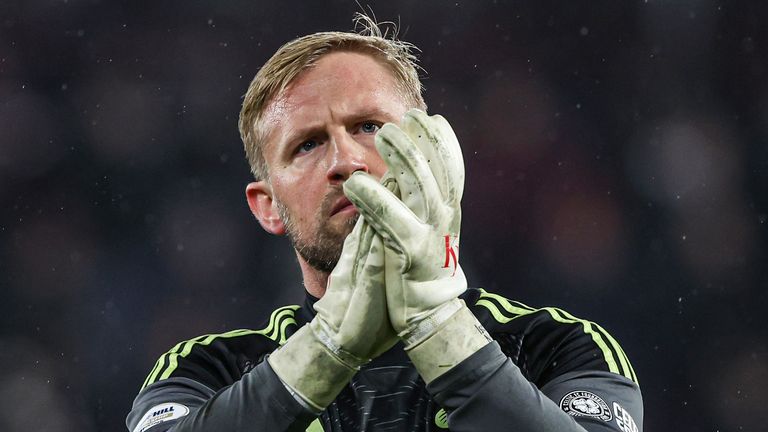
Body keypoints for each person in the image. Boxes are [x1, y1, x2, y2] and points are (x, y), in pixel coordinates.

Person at [126, 15, 643, 432]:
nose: (346, 161)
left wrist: (439, 326)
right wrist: (325, 349)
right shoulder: (207, 370)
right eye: (307, 144)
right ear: (267, 206)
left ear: (432, 152)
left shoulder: (559, 346)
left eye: (369, 127)